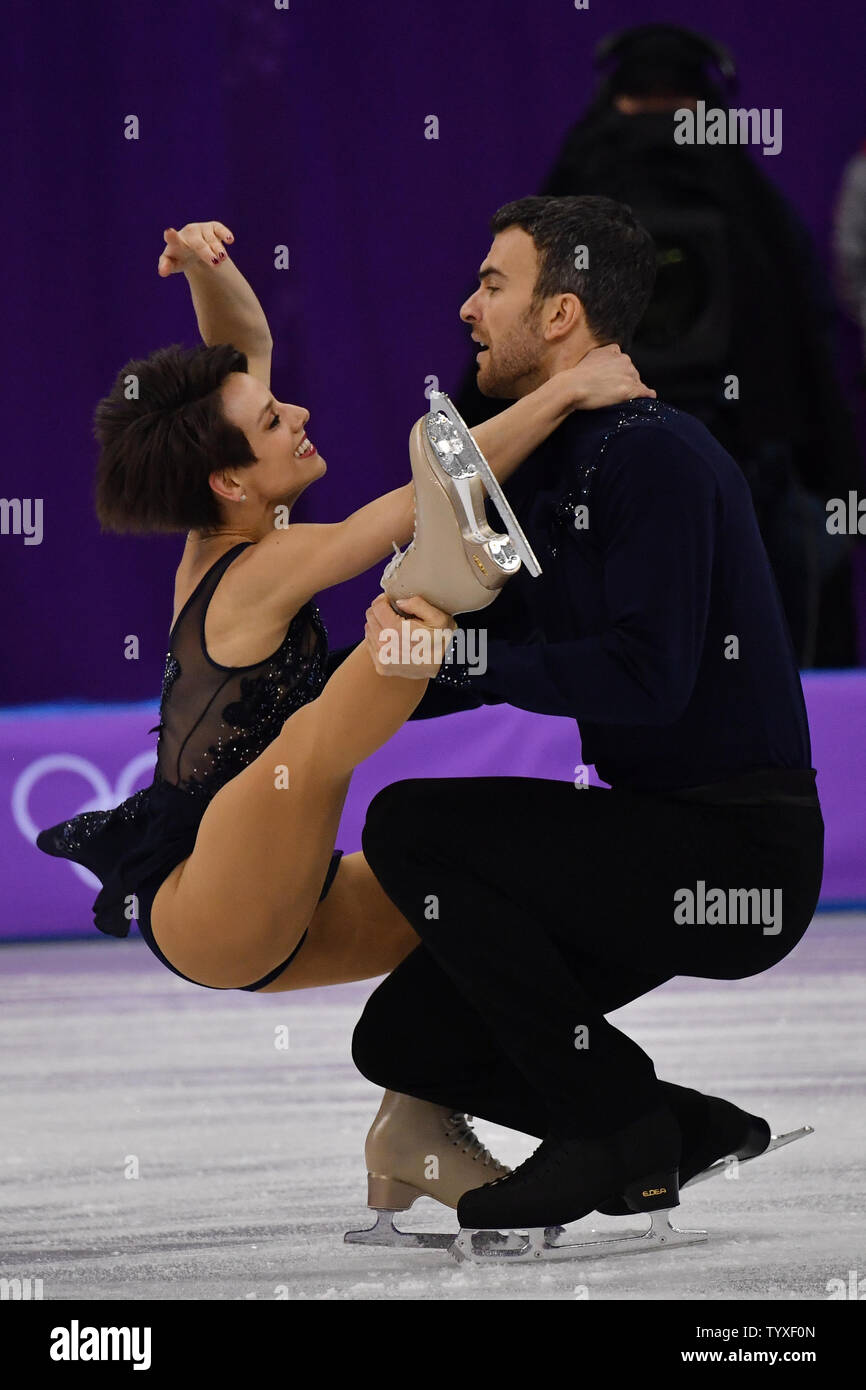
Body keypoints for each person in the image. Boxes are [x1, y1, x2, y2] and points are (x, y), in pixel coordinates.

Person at [36, 218, 652, 1217]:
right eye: (275, 420)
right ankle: (433, 598)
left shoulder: (230, 523)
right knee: (309, 742)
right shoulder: (250, 568)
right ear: (232, 481)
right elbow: (403, 503)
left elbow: (241, 354)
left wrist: (210, 266)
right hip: (213, 896)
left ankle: (415, 1126)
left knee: (475, 908)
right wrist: (563, 390)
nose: (300, 413)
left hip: (292, 903)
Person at [350, 195, 826, 1243]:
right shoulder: (569, 459)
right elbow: (482, 653)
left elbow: (643, 680)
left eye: (491, 283)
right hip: (657, 840)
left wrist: (460, 652)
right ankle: (661, 1131)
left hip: (736, 855)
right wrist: (368, 674)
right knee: (404, 1036)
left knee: (413, 828)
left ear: (560, 314)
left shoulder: (648, 453)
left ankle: (605, 1127)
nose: (465, 305)